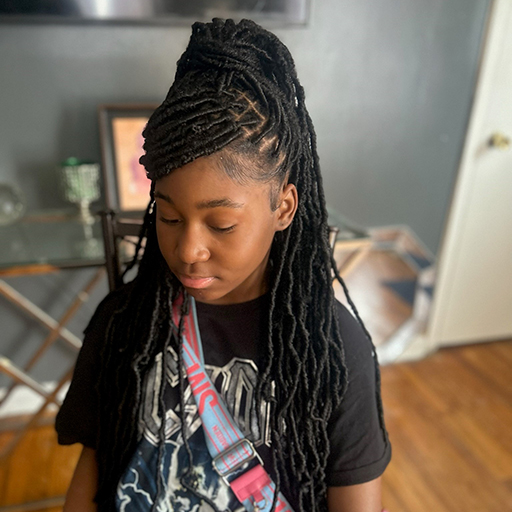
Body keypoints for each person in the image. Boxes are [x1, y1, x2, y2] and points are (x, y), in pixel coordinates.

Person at [56, 18, 391, 512]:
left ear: (283, 207)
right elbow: (97, 461)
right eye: (168, 216)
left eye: (221, 224)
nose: (188, 249)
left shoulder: (334, 349)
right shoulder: (127, 322)